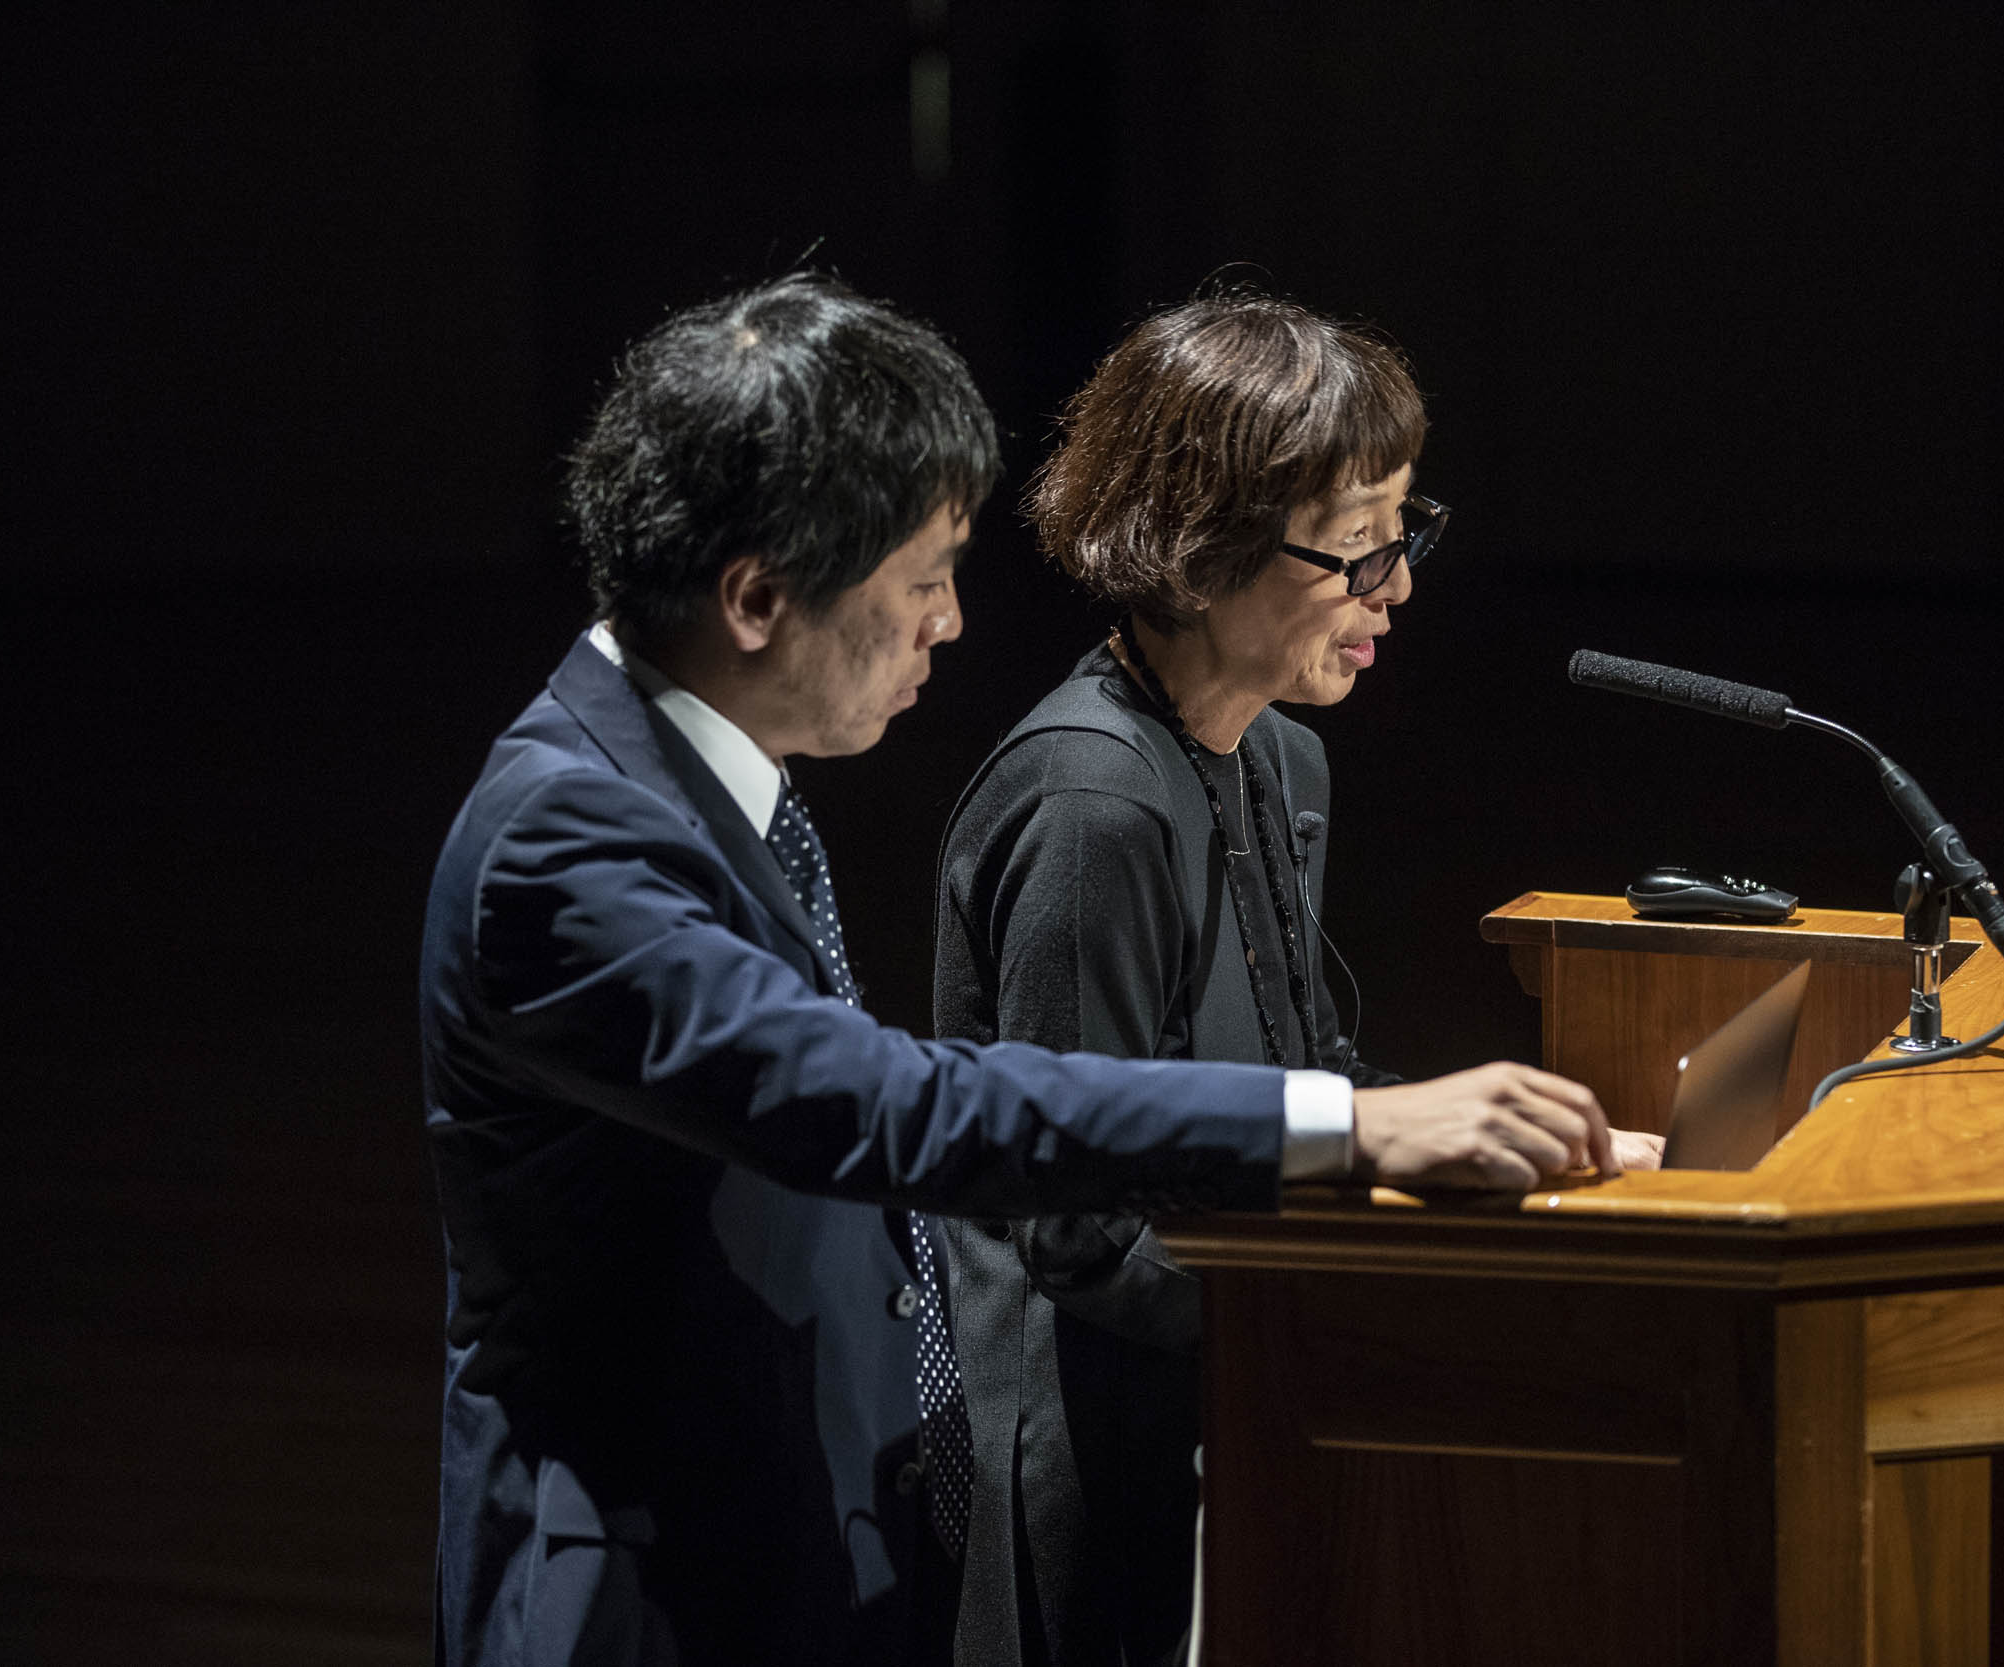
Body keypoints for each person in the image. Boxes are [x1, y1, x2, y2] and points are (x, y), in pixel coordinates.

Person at [421, 274, 1620, 1667]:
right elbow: (883, 1108)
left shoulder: (702, 791)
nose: (952, 622)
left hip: (795, 1533)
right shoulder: (565, 842)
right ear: (756, 596)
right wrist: (1349, 1132)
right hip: (643, 1591)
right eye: (922, 579)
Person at [932, 293, 1661, 1667]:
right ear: (1199, 551)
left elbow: (1302, 1082)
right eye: (1359, 553)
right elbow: (1080, 1235)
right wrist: (1366, 1304)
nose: (1400, 589)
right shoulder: (1092, 808)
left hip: (1234, 1407)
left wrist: (1507, 1159)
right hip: (1098, 1464)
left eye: (1407, 535)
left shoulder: (1276, 756)